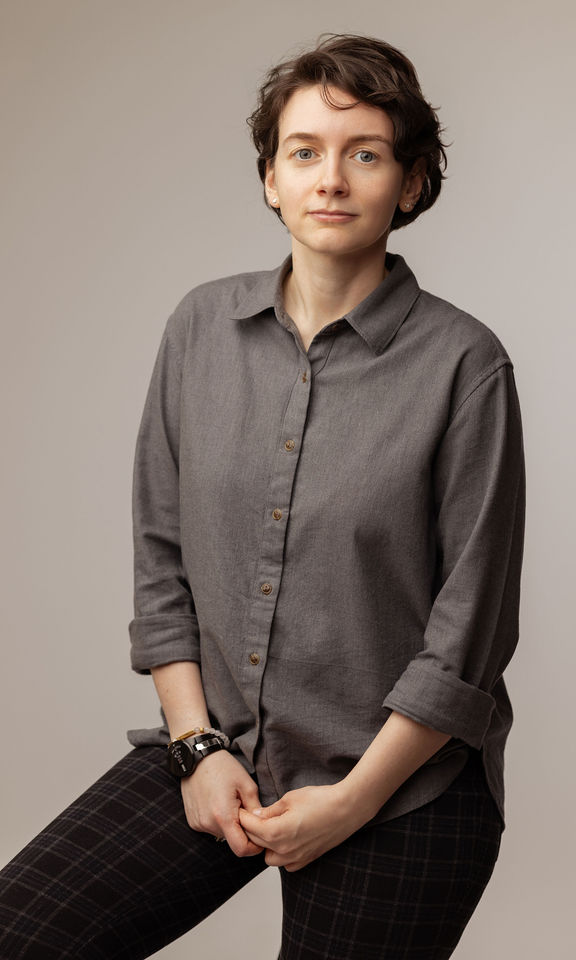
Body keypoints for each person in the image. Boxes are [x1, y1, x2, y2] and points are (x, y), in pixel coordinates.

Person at [0, 32, 526, 960]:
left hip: (402, 787)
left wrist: (354, 800)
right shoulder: (201, 328)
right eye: (304, 152)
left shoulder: (464, 365)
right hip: (219, 750)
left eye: (364, 154)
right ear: (270, 179)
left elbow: (469, 634)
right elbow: (162, 566)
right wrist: (197, 752)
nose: (331, 179)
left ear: (408, 184)